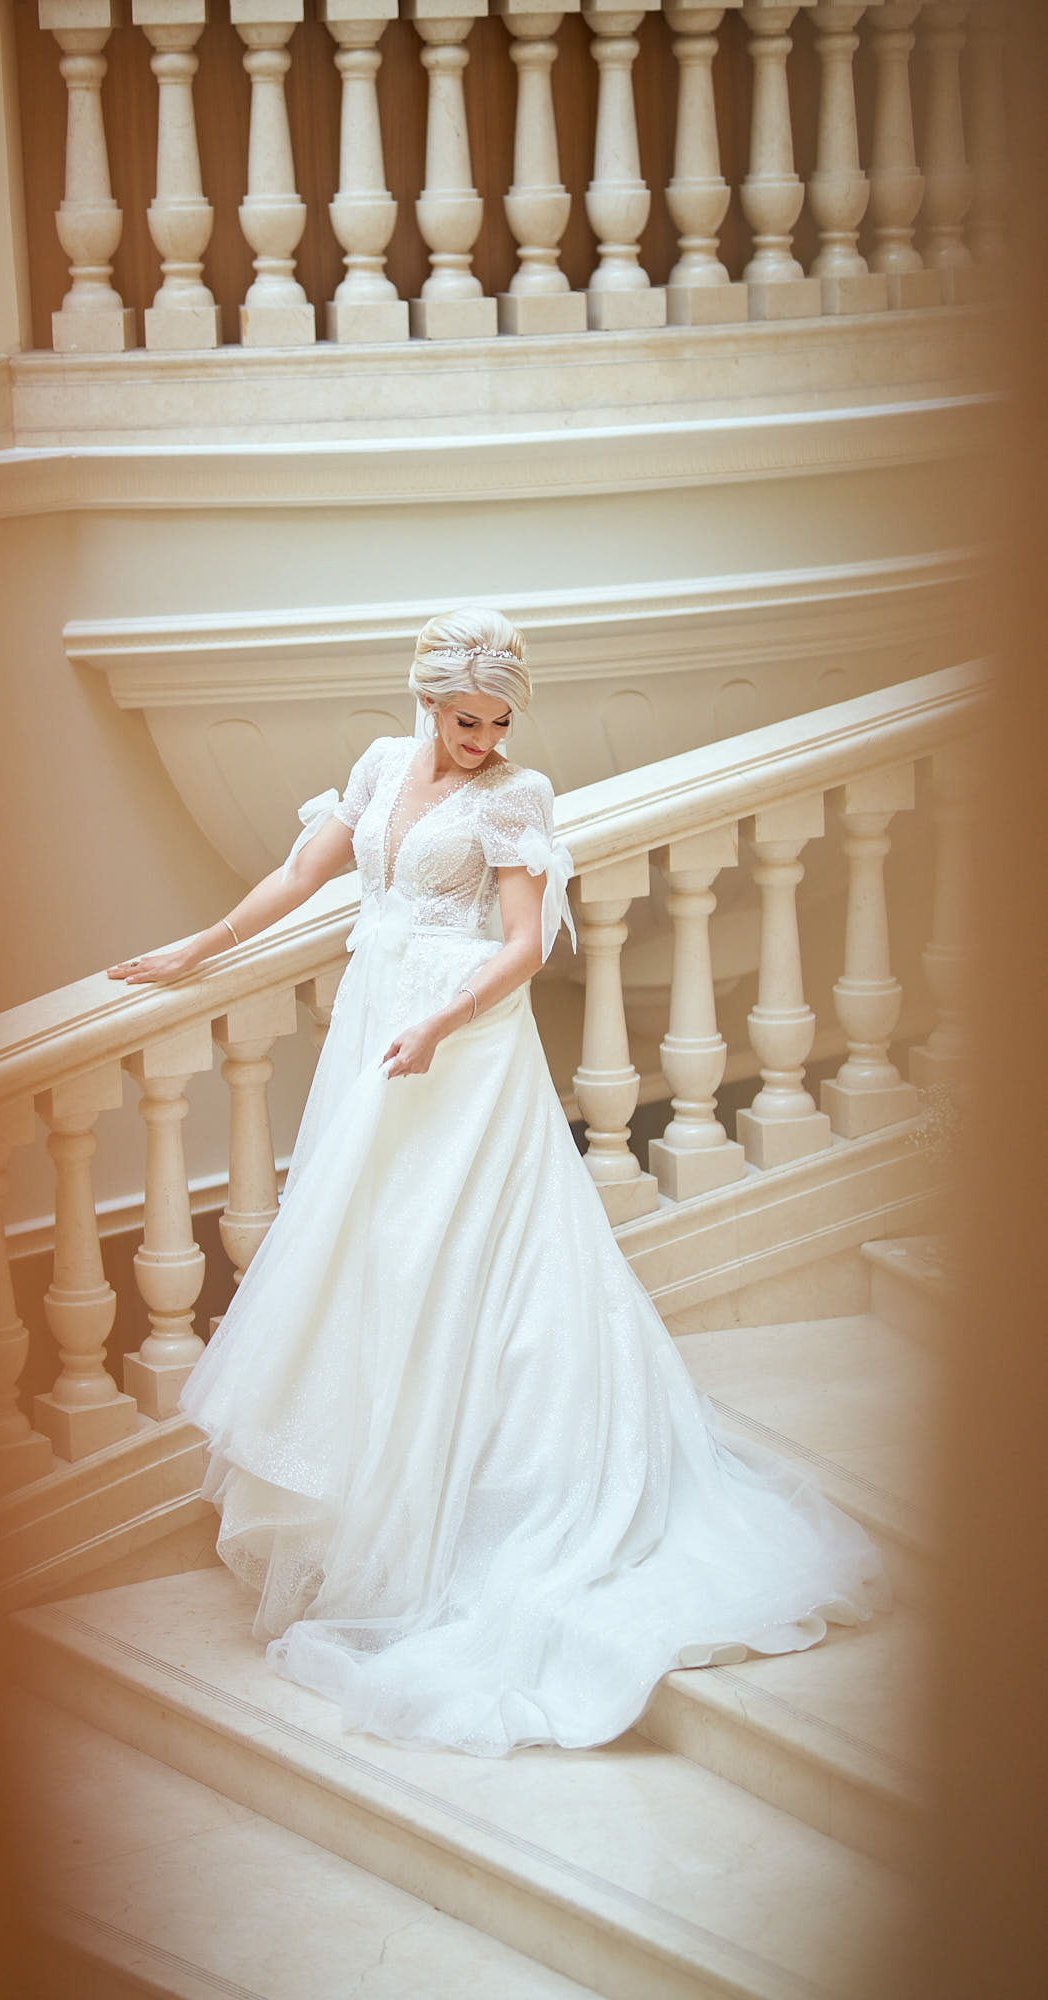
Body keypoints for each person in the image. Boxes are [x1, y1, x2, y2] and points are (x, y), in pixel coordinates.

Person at [107, 606, 890, 1758]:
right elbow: (303, 871)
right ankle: (374, 1506)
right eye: (465, 720)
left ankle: (490, 1504)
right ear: (426, 703)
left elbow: (523, 945)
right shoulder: (379, 766)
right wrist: (197, 947)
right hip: (377, 1019)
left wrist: (438, 1020)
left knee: (461, 1248)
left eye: (499, 721)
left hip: (458, 1038)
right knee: (371, 1250)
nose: (484, 740)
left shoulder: (518, 796)